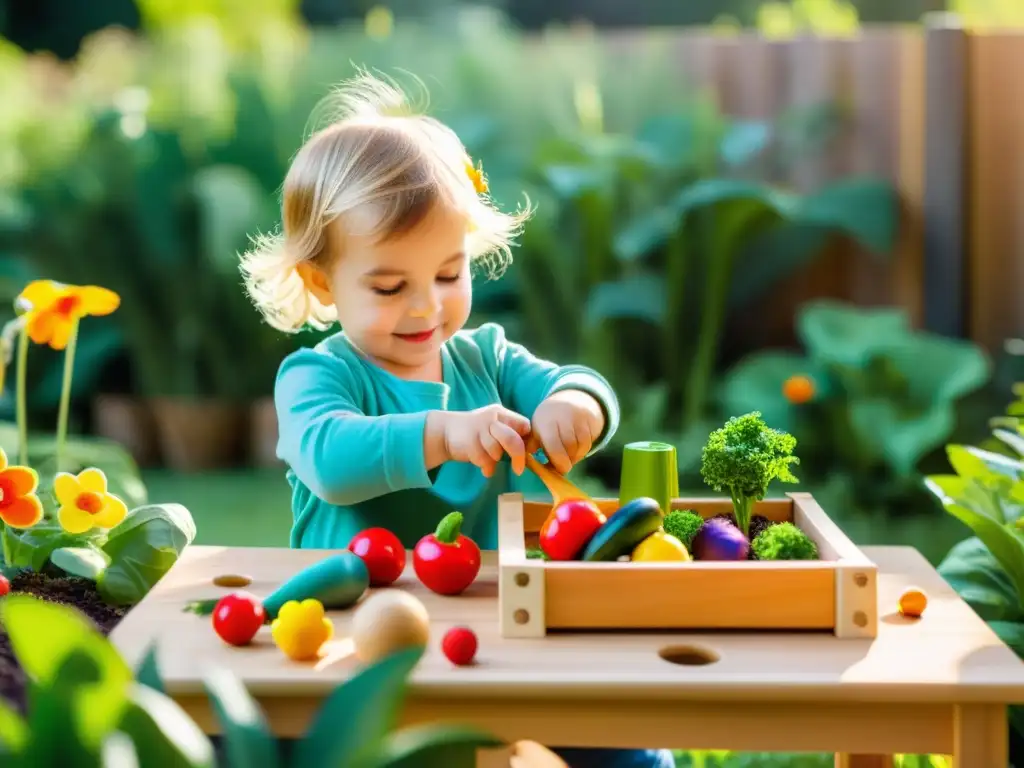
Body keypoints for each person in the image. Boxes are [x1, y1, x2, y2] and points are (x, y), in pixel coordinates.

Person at [240, 70, 676, 768]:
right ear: (323, 282)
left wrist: (576, 408)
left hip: (490, 629)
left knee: (625, 742)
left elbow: (578, 383)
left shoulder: (488, 357)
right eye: (389, 286)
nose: (425, 308)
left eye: (448, 275)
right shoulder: (318, 376)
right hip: (350, 639)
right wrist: (445, 433)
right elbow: (327, 456)